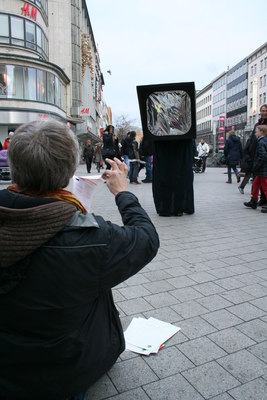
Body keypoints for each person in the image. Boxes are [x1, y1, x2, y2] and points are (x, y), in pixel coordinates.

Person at [0, 120, 159, 400]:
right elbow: (146, 239)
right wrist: (122, 192)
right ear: (70, 172)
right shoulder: (92, 238)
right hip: (63, 368)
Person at [239, 104, 267, 202]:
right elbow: (252, 138)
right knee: (256, 181)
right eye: (262, 110)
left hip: (262, 156)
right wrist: (247, 149)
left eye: (265, 111)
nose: (263, 112)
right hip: (255, 154)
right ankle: (255, 200)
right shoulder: (258, 123)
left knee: (263, 181)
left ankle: (262, 200)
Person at [244, 125, 267, 213]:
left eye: (256, 131)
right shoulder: (263, 140)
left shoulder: (261, 142)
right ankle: (253, 200)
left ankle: (254, 201)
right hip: (261, 169)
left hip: (262, 169)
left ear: (261, 132)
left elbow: (263, 155)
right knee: (256, 184)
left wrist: (256, 165)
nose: (255, 133)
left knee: (265, 186)